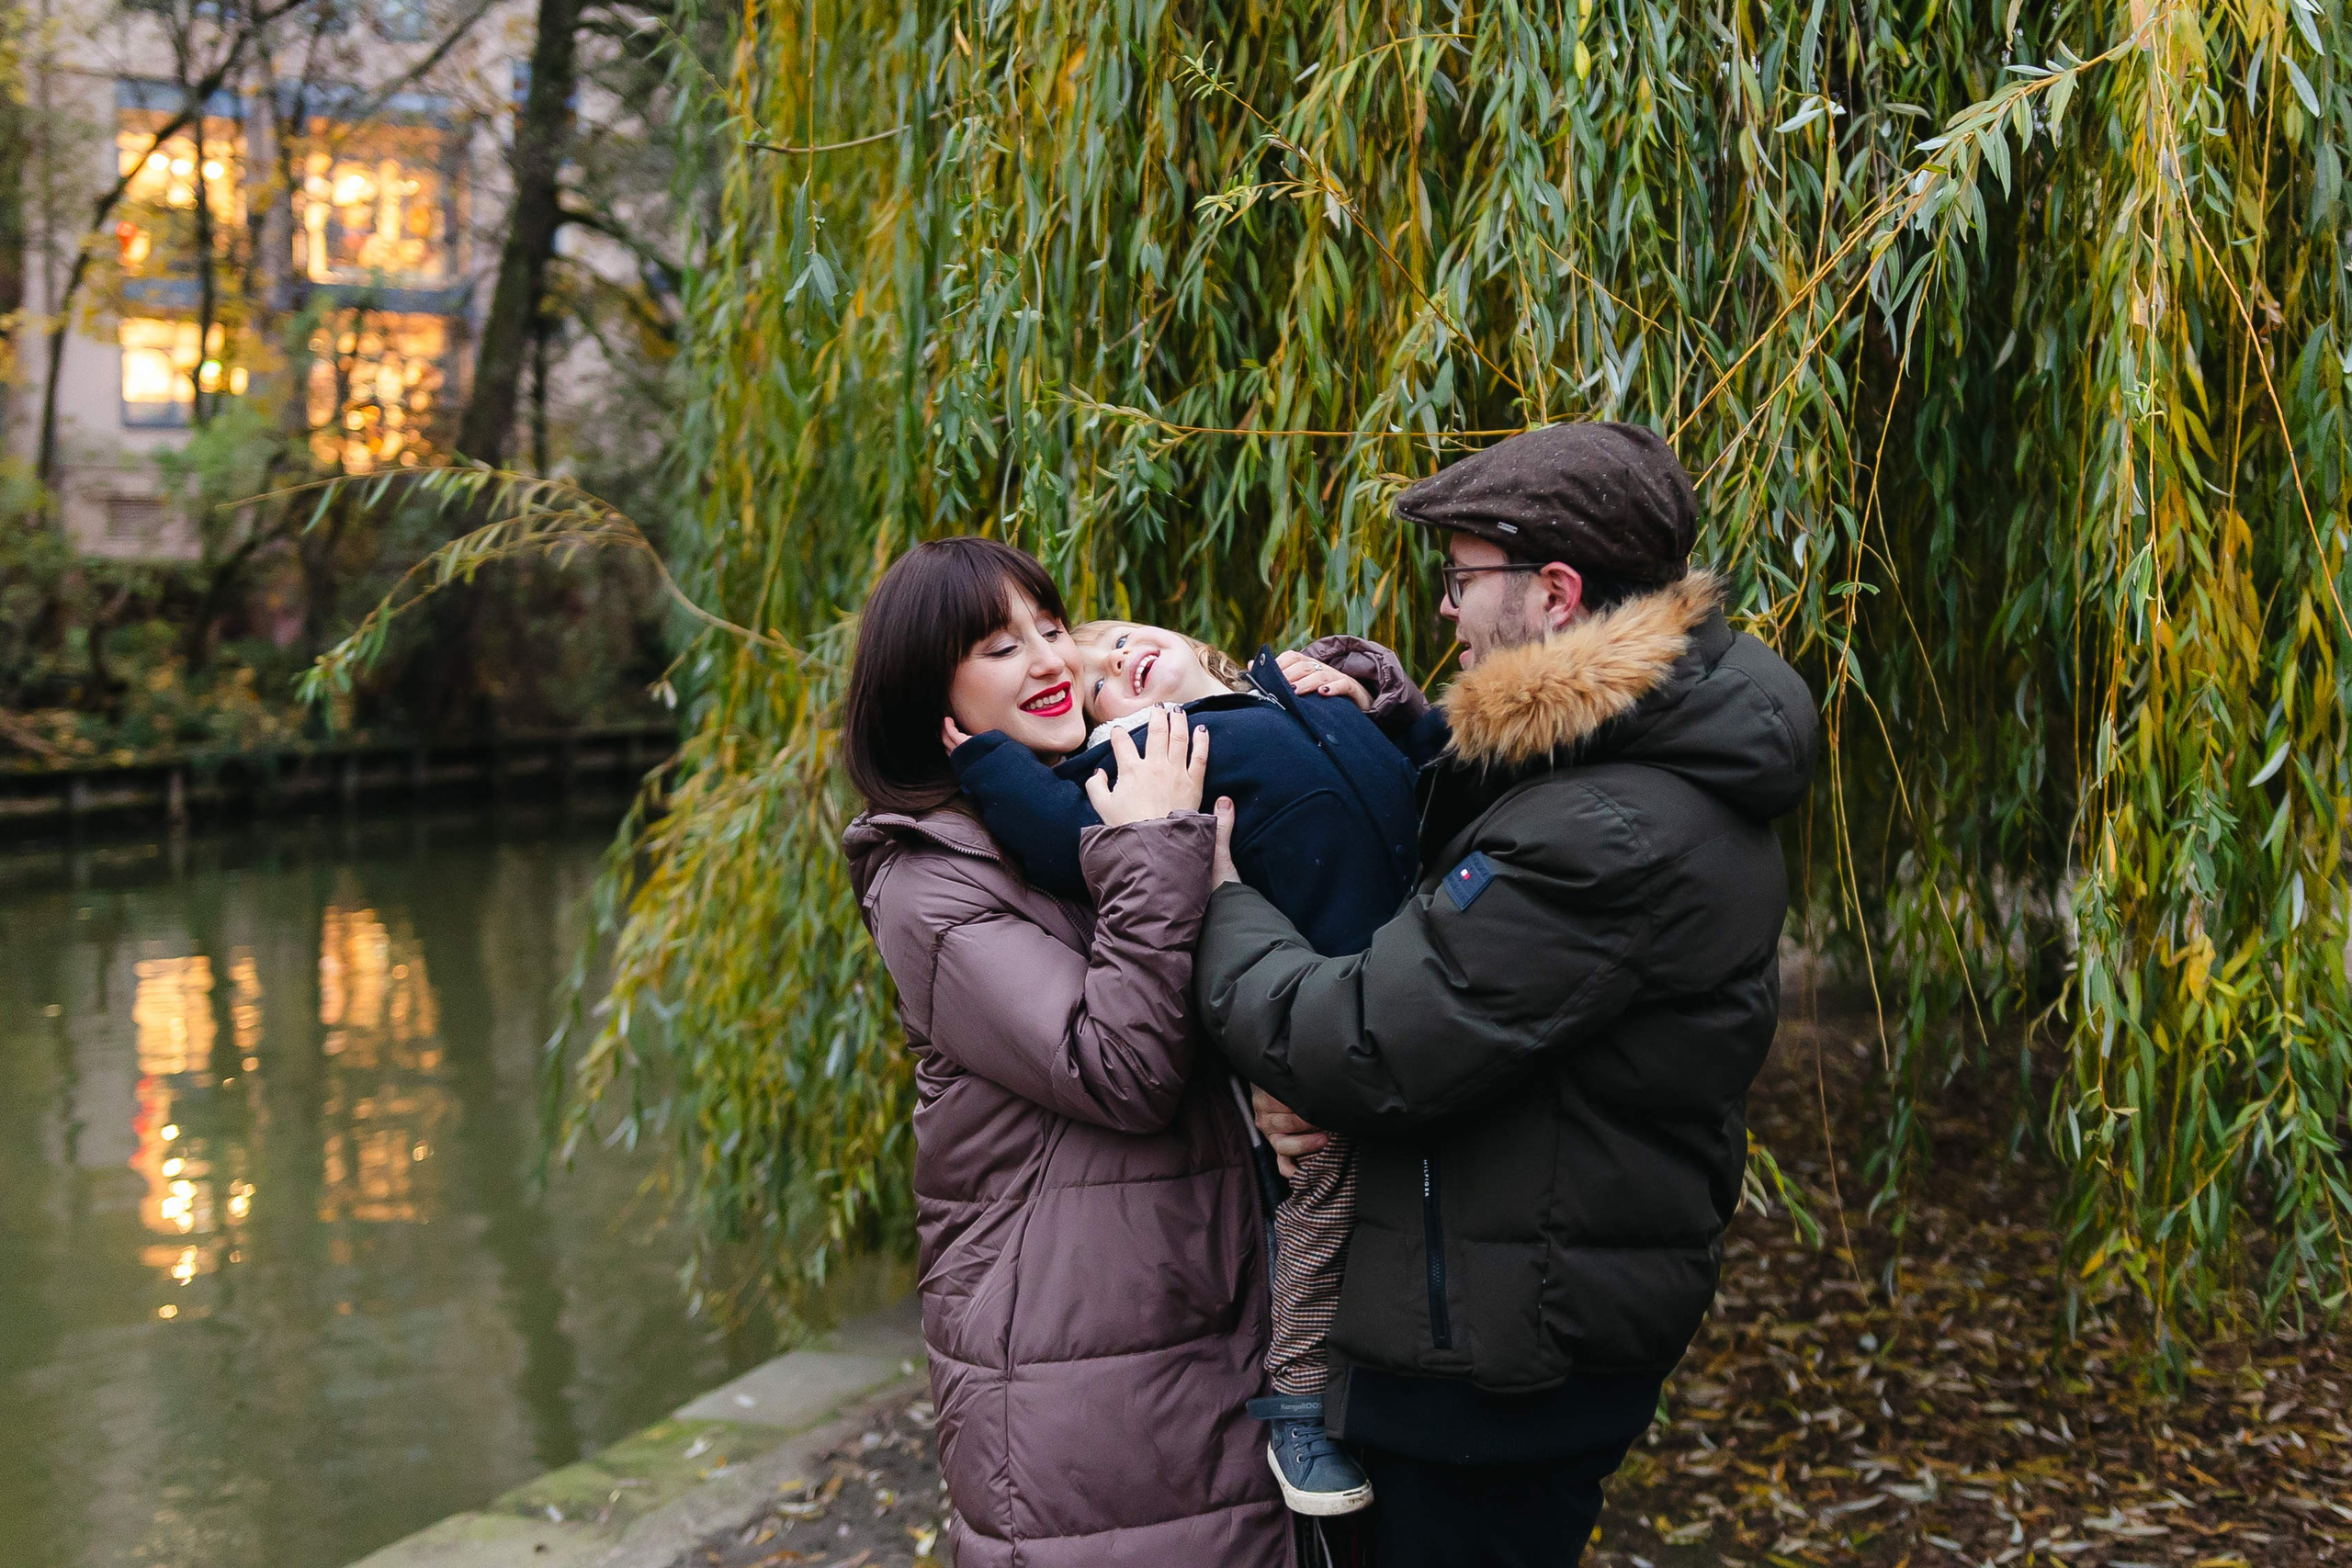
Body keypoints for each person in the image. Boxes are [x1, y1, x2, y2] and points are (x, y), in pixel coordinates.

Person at [1197, 422, 1823, 1566]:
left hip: (1495, 1359)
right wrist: (1392, 726)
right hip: (1516, 1306)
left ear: (1553, 593)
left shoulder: (1604, 830)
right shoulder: (1627, 757)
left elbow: (1367, 1042)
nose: (1443, 611)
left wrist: (1215, 893)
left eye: (1460, 579)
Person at [839, 537, 1290, 1568]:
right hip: (1075, 1358)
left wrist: (1337, 695)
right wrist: (1154, 845)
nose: (1050, 663)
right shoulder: (928, 882)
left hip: (1199, 1307)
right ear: (927, 690)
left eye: (1051, 630)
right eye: (1000, 647)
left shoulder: (1080, 804)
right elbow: (1119, 1068)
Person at [947, 615, 1420, 1517]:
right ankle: (1303, 1401)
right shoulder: (1147, 755)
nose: (1110, 661)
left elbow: (1432, 764)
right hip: (1320, 1028)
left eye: (1111, 635)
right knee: (1324, 1204)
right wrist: (988, 764)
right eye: (1095, 683)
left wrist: (1363, 683)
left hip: (1419, 984)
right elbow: (1060, 836)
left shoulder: (1275, 693)